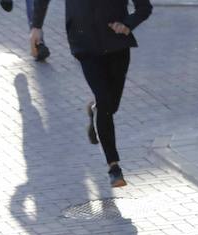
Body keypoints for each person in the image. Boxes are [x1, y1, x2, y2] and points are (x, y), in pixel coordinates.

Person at [32, 0, 153, 188]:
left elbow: (144, 7)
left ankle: (95, 109)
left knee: (111, 106)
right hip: (84, 43)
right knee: (105, 103)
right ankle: (114, 167)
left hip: (116, 44)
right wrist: (36, 26)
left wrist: (127, 24)